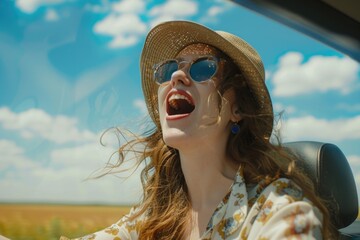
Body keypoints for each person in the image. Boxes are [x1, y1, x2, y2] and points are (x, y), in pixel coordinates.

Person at [62, 20, 336, 239]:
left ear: (237, 109)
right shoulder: (157, 215)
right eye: (168, 69)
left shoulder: (280, 211)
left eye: (204, 68)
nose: (176, 76)